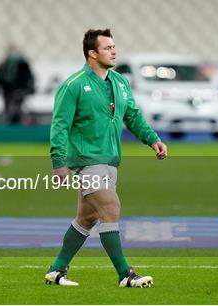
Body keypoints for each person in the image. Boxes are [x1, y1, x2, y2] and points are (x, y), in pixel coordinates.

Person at [45, 29, 167, 288]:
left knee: (87, 218)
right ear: (92, 53)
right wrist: (58, 161)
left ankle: (56, 270)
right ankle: (125, 274)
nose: (114, 51)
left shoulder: (120, 82)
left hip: (111, 159)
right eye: (108, 47)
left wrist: (152, 139)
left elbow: (132, 116)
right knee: (110, 209)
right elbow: (60, 124)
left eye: (114, 46)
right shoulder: (74, 84)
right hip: (87, 160)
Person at [0, 45, 35, 124]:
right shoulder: (5, 63)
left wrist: (27, 87)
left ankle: (16, 122)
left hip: (16, 89)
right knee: (10, 107)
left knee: (15, 106)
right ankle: (12, 122)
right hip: (8, 89)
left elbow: (28, 76)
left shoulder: (22, 63)